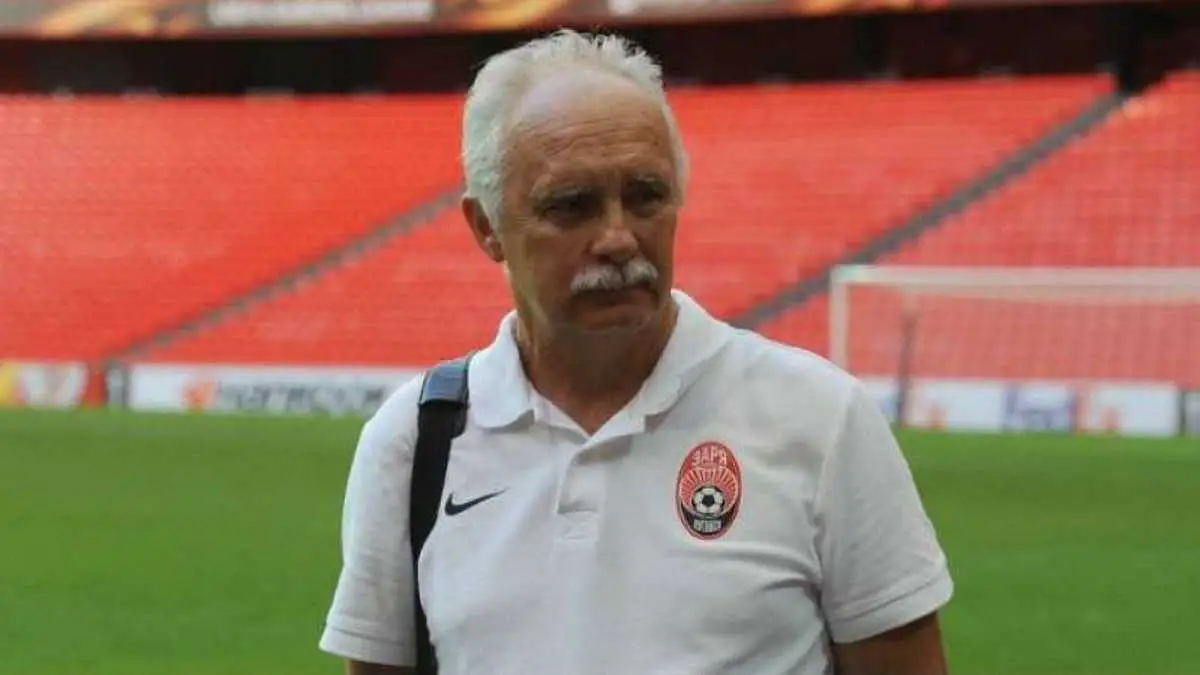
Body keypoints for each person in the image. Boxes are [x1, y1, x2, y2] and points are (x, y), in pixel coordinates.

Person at [319, 29, 954, 675]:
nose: (619, 238)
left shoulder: (819, 419)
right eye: (573, 206)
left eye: (646, 196)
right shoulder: (414, 443)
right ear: (487, 227)